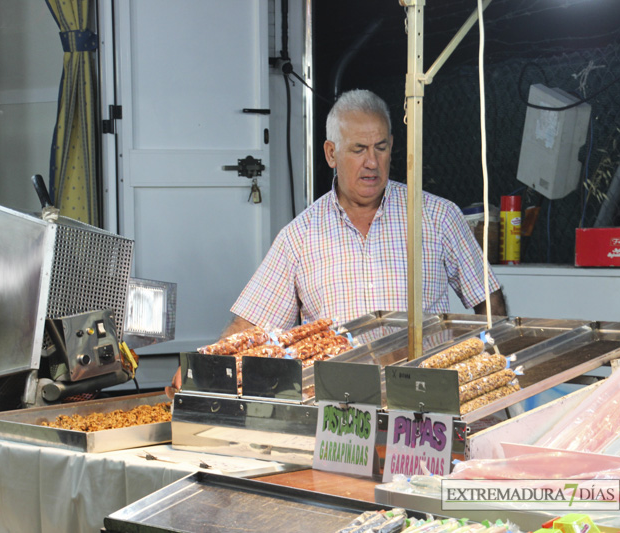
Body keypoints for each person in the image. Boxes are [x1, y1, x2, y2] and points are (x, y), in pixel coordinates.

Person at [166, 89, 505, 396]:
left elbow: (488, 301)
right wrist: (203, 369)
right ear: (331, 153)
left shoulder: (437, 216)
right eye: (358, 149)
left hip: (424, 395)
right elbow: (253, 324)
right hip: (336, 405)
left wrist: (493, 364)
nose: (372, 162)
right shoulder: (299, 236)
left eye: (381, 148)